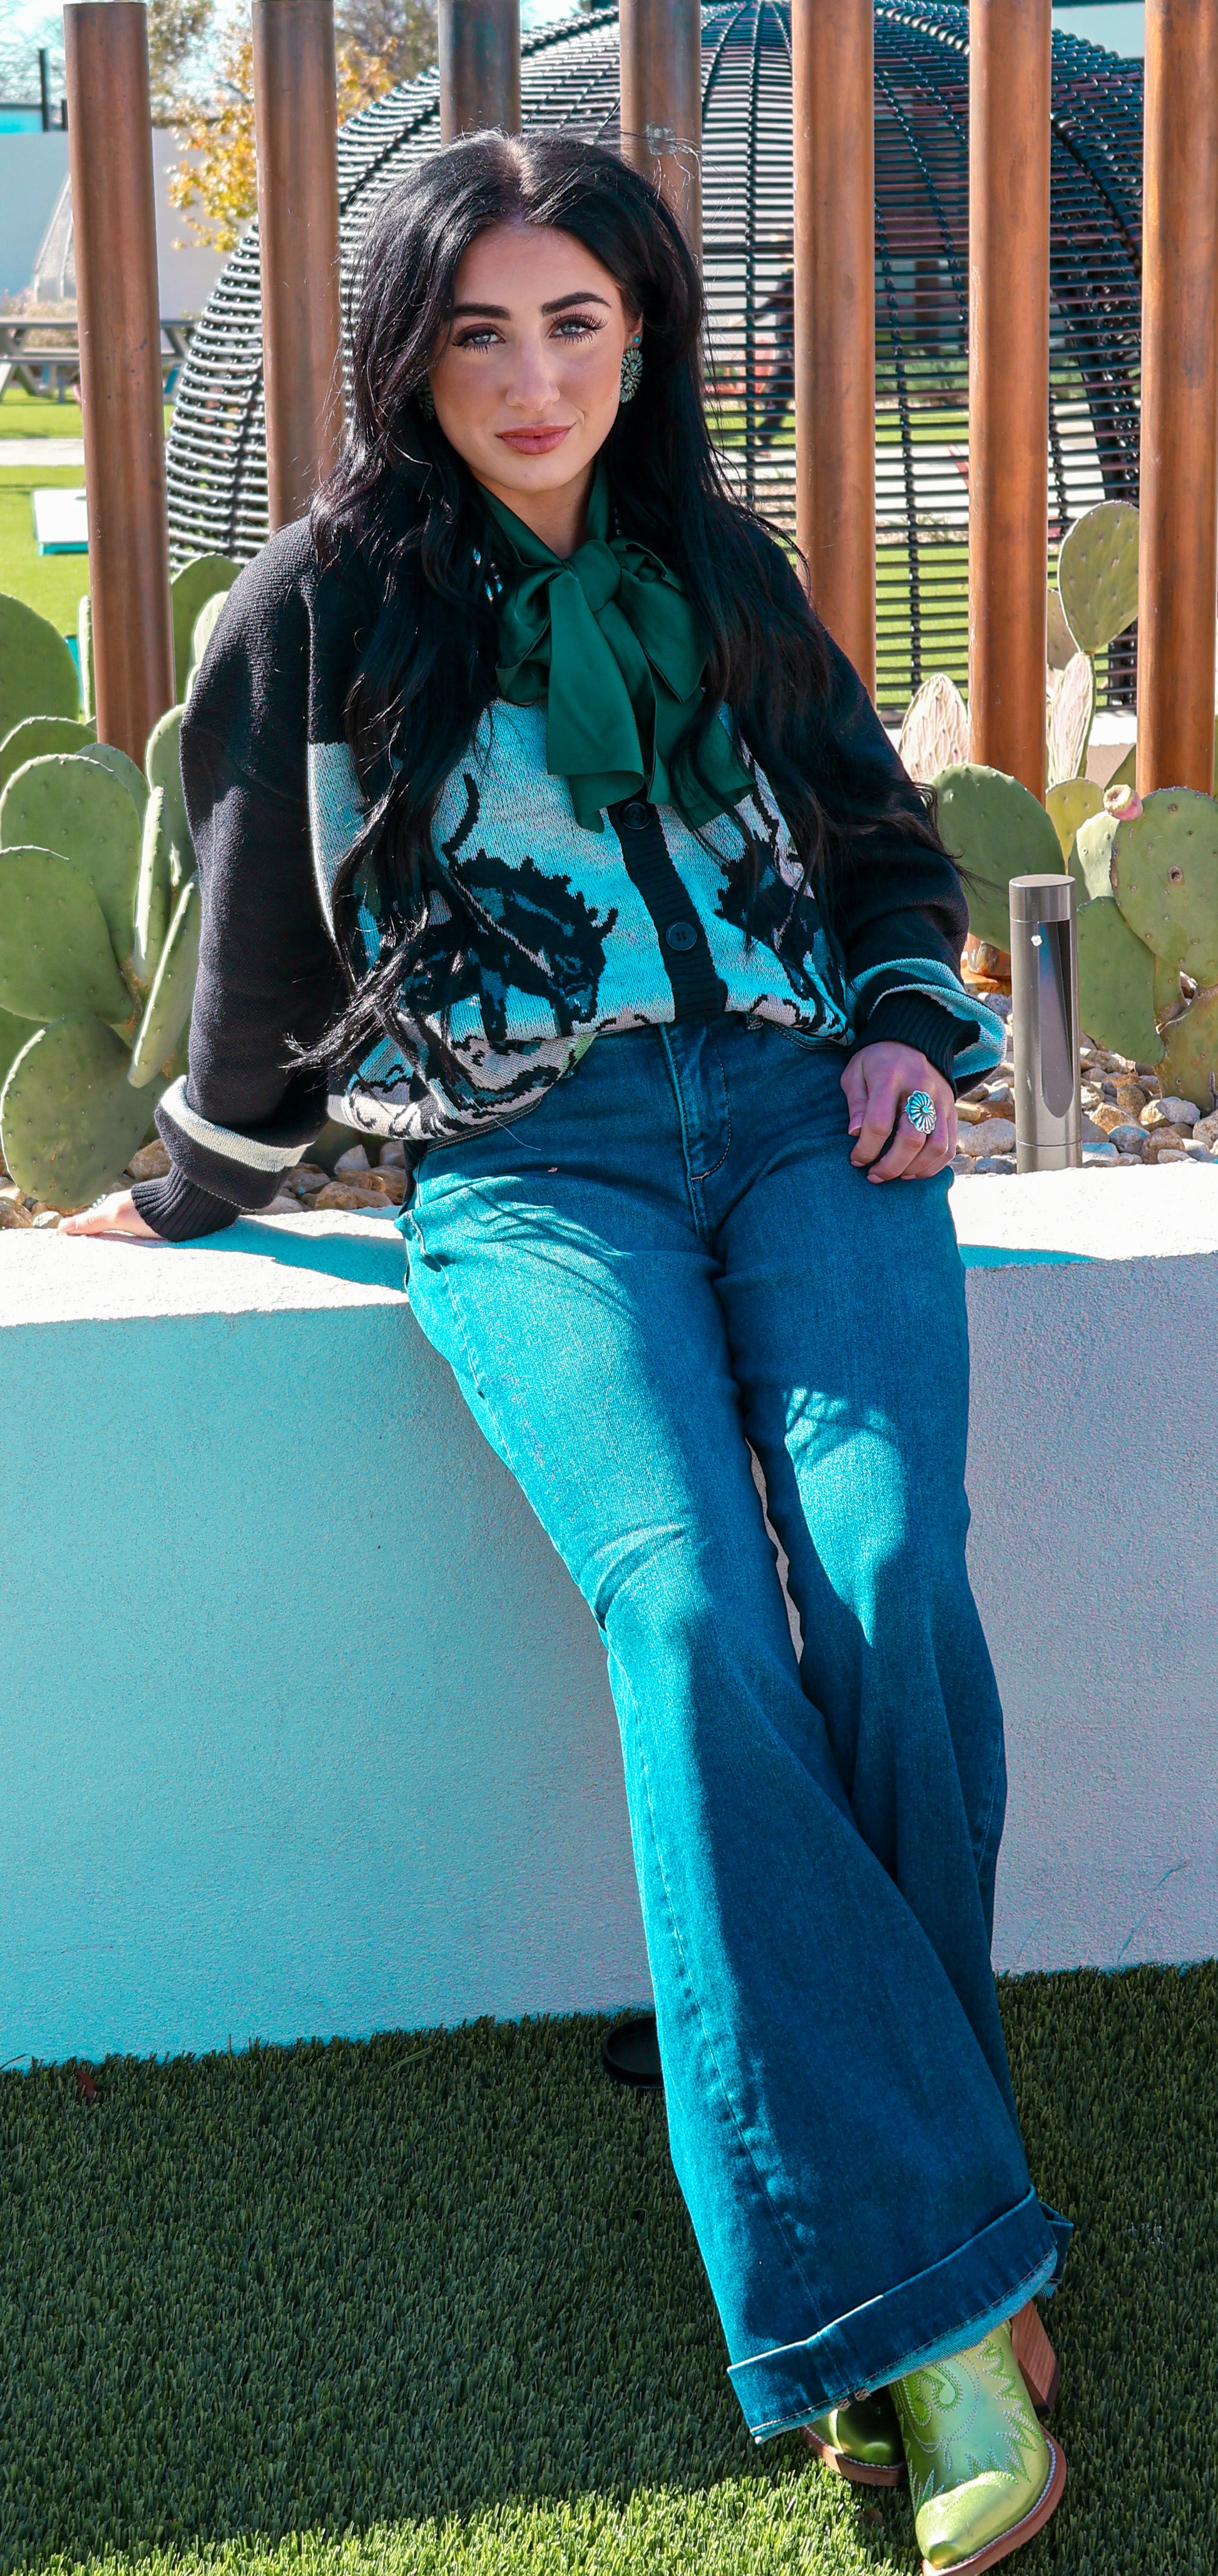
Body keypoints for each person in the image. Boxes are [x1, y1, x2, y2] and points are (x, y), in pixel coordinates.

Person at [66, 131, 1068, 2573]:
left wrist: (902, 1023)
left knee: (885, 1567)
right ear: (409, 350)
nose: (533, 379)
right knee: (690, 1605)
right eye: (481, 330)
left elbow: (878, 844)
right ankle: (939, 2307)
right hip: (530, 1167)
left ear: (644, 339)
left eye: (579, 324)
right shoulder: (312, 609)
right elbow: (260, 951)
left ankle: (887, 2192)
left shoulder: (720, 564)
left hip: (804, 1121)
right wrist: (190, 1176)